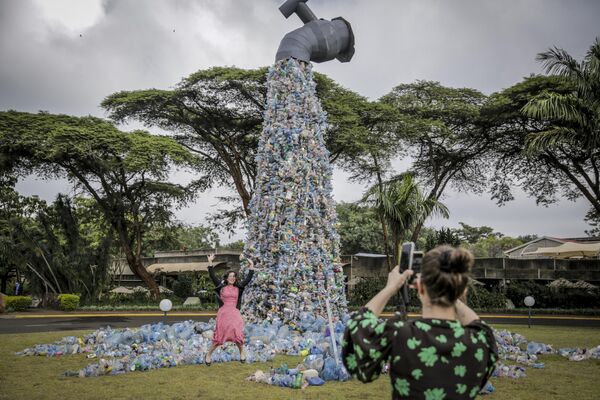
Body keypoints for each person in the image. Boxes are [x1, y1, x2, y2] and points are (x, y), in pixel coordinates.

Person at [342, 245, 498, 399]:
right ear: (462, 290)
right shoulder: (480, 341)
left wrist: (391, 287)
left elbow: (358, 325)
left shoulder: (400, 334)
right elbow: (479, 325)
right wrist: (451, 291)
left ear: (420, 288)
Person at [205, 253, 255, 365]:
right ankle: (208, 355)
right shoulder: (221, 287)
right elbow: (213, 276)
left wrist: (251, 266)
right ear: (227, 278)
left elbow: (248, 279)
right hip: (223, 313)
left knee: (237, 333)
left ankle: (242, 353)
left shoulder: (238, 287)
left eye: (234, 276)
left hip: (235, 313)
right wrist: (210, 262)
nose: (232, 278)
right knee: (219, 336)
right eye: (230, 276)